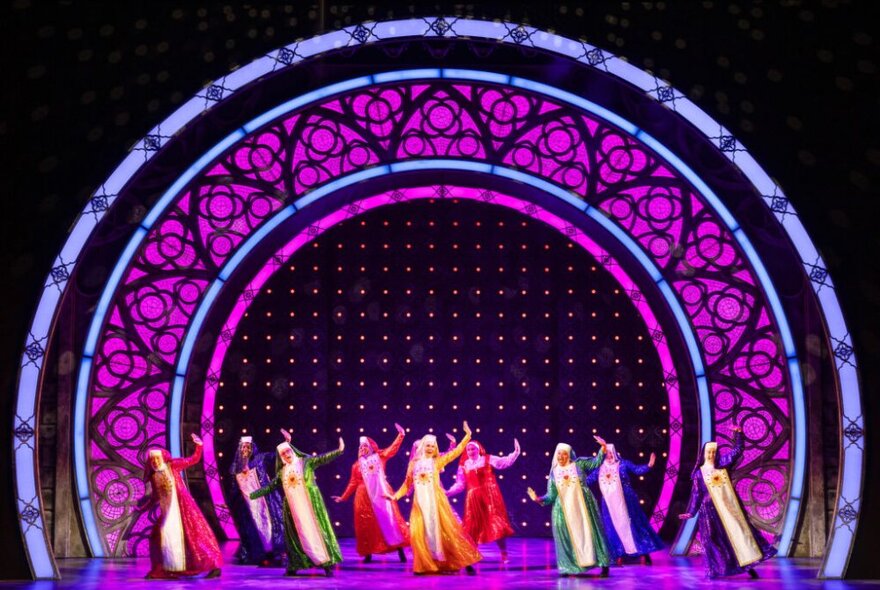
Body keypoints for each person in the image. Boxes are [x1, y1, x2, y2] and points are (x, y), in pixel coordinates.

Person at [678, 426, 776, 579]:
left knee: (737, 537)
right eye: (708, 452)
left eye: (713, 452)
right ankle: (716, 570)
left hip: (726, 510)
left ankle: (748, 567)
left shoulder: (722, 464)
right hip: (707, 512)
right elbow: (696, 494)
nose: (711, 455)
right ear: (703, 454)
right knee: (710, 540)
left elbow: (738, 450)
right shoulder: (698, 473)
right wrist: (691, 512)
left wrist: (739, 433)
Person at [386, 422, 482, 575]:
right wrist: (394, 496)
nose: (430, 448)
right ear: (422, 446)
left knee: (446, 534)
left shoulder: (437, 462)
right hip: (420, 505)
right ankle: (425, 565)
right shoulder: (413, 464)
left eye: (433, 445)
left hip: (436, 504)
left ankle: (462, 561)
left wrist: (468, 436)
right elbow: (406, 484)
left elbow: (456, 452)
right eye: (428, 445)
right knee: (419, 534)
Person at [250, 430, 344, 576]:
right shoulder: (282, 471)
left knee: (317, 533)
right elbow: (270, 486)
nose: (286, 455)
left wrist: (338, 451)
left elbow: (321, 459)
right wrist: (252, 495)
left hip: (310, 507)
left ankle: (326, 564)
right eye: (283, 454)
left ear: (292, 451)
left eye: (288, 452)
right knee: (296, 537)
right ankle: (296, 564)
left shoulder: (305, 462)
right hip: (293, 510)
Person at [142, 433, 223, 579]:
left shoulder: (173, 466)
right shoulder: (154, 477)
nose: (155, 461)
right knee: (158, 537)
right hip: (168, 513)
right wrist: (142, 508)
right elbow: (155, 497)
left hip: (183, 510)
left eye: (157, 458)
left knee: (196, 537)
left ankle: (213, 565)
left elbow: (193, 460)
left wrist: (199, 446)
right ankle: (165, 568)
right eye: (152, 459)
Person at [527, 436, 611, 577]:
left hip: (584, 506)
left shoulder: (579, 464)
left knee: (592, 534)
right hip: (563, 510)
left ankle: (603, 565)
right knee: (566, 537)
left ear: (569, 454)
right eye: (558, 453)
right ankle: (567, 567)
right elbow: (551, 495)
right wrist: (538, 498)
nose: (561, 456)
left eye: (564, 453)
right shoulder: (554, 473)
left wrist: (603, 448)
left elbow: (596, 463)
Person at [332, 423, 410, 563]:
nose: (362, 449)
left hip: (381, 493)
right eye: (360, 447)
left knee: (390, 521)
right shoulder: (357, 465)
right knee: (367, 525)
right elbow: (353, 482)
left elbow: (392, 450)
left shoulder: (380, 457)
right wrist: (343, 497)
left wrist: (401, 435)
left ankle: (399, 551)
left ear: (371, 447)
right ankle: (368, 553)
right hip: (363, 497)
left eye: (365, 446)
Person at [445, 436, 520, 563]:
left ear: (479, 449)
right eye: (468, 450)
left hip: (490, 497)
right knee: (471, 527)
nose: (470, 451)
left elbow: (504, 462)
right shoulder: (464, 466)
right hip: (473, 499)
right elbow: (460, 484)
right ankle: (472, 554)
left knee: (496, 525)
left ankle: (504, 553)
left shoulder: (488, 459)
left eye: (473, 449)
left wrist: (515, 453)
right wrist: (448, 492)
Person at [586, 443, 664, 564]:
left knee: (633, 524)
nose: (609, 455)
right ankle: (619, 553)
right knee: (613, 526)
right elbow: (588, 480)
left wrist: (649, 465)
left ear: (615, 452)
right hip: (609, 503)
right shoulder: (600, 468)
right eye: (606, 453)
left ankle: (643, 552)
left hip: (627, 500)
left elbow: (637, 470)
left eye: (611, 452)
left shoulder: (622, 464)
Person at [228, 436, 285, 565]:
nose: (246, 449)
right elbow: (233, 488)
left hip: (265, 501)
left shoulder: (260, 458)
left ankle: (275, 552)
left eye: (248, 446)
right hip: (248, 505)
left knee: (269, 526)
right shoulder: (235, 466)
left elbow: (275, 455)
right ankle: (259, 554)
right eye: (243, 446)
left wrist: (286, 443)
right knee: (252, 529)